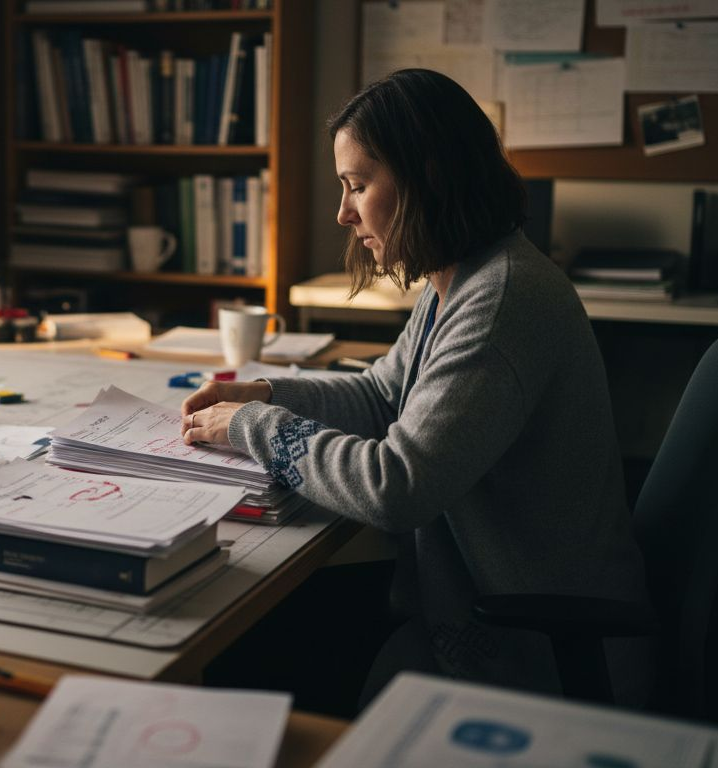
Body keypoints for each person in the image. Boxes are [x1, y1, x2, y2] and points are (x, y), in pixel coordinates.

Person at [181, 69, 651, 704]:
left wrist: (253, 429)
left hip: (535, 652)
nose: (344, 211)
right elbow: (381, 396)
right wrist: (267, 395)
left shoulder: (501, 301)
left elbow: (397, 487)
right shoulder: (465, 276)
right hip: (480, 613)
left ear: (427, 175)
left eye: (357, 185)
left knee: (251, 655)